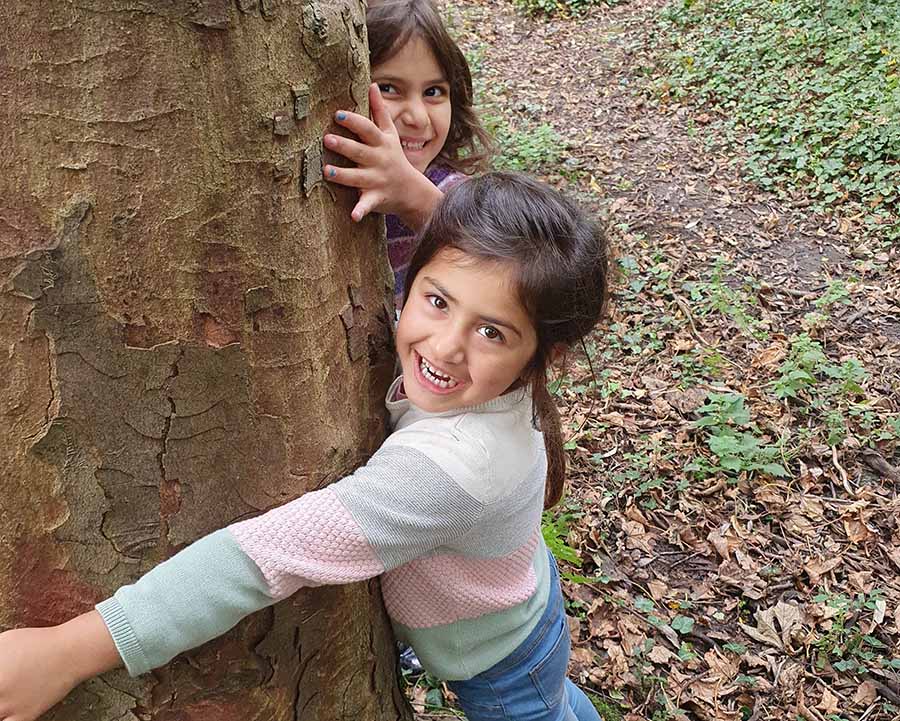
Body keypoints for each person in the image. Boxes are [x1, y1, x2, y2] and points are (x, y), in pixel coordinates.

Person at [0, 173, 608, 721]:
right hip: (530, 601)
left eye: (491, 331)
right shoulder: (504, 379)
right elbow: (486, 270)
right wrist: (415, 191)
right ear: (415, 273)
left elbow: (261, 559)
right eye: (438, 300)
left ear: (543, 356)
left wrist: (67, 652)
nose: (446, 346)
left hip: (500, 667)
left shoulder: (451, 469)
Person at [324, 0, 492, 307]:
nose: (417, 117)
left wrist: (413, 197)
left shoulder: (453, 191)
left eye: (433, 92)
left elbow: (503, 268)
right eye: (389, 88)